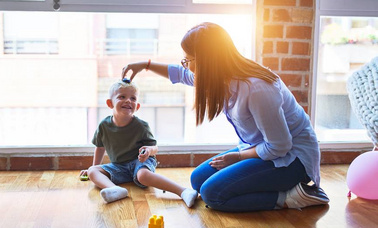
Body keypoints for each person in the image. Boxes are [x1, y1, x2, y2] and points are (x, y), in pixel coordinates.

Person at [121, 22, 330, 212]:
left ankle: (292, 197)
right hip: (260, 147)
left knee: (213, 195)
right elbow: (183, 75)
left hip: (292, 159)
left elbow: (280, 147)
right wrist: (146, 65)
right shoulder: (220, 76)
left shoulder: (257, 89)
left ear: (208, 61)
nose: (186, 65)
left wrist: (238, 157)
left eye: (188, 60)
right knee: (198, 180)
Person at [80, 79, 198, 207]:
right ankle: (115, 189)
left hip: (140, 162)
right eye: (122, 97)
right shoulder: (104, 125)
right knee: (93, 171)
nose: (128, 101)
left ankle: (183, 191)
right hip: (119, 166)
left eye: (133, 98)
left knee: (142, 175)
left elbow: (154, 147)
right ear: (110, 103)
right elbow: (100, 147)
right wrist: (94, 167)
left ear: (137, 106)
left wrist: (148, 151)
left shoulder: (141, 126)